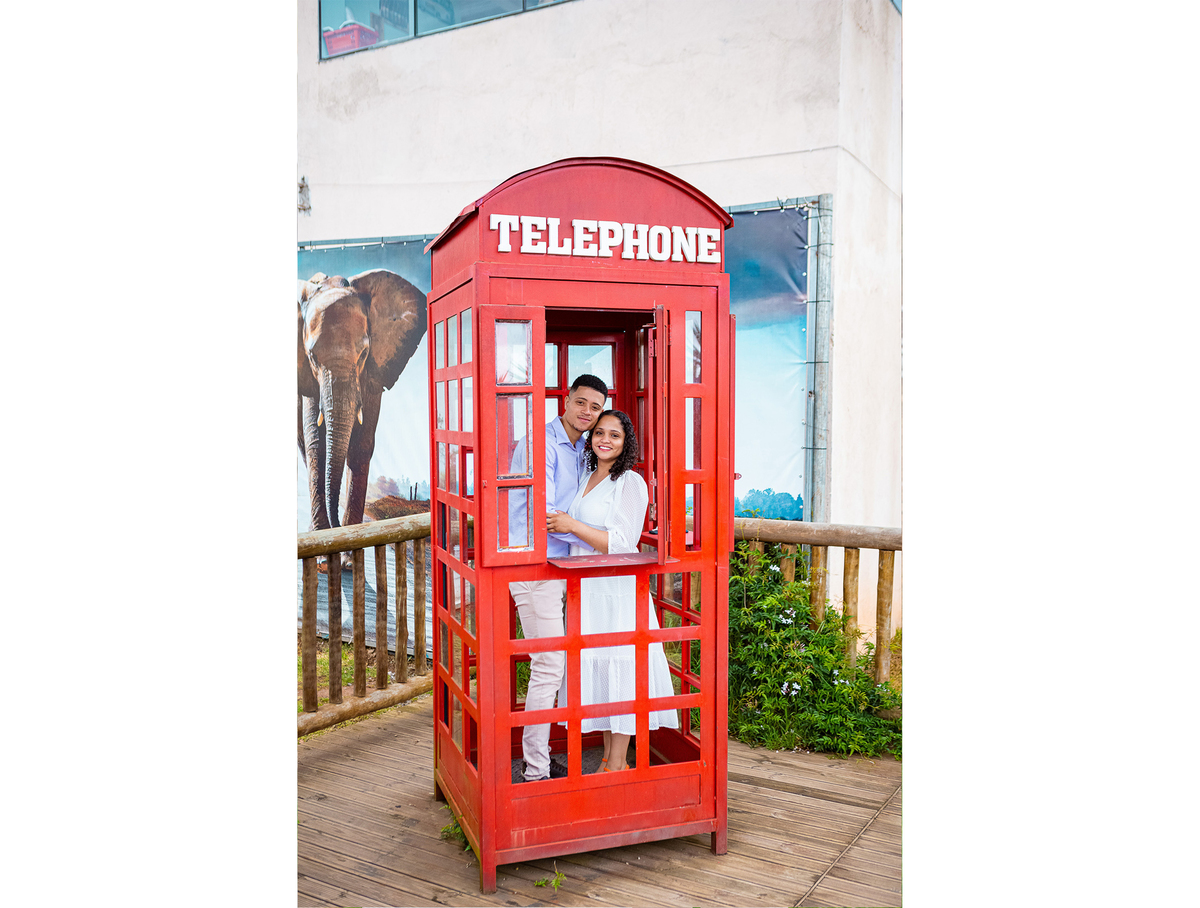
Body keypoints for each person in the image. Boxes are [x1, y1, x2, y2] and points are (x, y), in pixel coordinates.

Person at [547, 409, 679, 773]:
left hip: (616, 589)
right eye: (599, 433)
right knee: (601, 671)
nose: (605, 439)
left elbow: (623, 542)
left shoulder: (630, 483)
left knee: (621, 670)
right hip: (586, 589)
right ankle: (608, 758)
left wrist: (571, 524)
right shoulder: (588, 475)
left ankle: (618, 763)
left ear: (626, 443)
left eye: (614, 435)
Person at [509, 374, 609, 782]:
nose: (587, 412)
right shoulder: (542, 443)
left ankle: (540, 757)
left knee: (556, 664)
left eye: (595, 407)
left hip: (565, 567)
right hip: (534, 566)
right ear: (566, 400)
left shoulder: (583, 449)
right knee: (549, 664)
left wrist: (589, 533)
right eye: (581, 402)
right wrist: (602, 539)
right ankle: (536, 769)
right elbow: (548, 516)